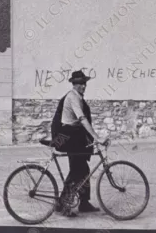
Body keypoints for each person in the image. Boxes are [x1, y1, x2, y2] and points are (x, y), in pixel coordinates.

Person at [52, 70, 108, 217]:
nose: (83, 86)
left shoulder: (78, 97)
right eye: (80, 83)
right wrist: (96, 137)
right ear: (74, 84)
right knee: (77, 170)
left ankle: (83, 202)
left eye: (84, 83)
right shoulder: (73, 97)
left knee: (83, 169)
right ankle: (64, 205)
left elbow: (82, 122)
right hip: (69, 136)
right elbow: (82, 119)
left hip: (75, 135)